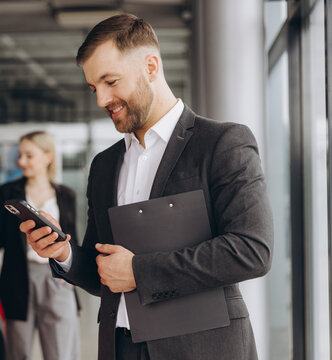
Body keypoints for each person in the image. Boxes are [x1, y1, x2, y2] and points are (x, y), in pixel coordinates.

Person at [20, 14, 273, 360]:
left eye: (110, 81)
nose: (101, 100)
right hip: (120, 346)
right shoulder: (105, 164)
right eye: (94, 88)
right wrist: (62, 253)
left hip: (200, 349)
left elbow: (252, 250)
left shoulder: (223, 143)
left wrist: (139, 271)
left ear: (151, 67)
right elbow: (103, 272)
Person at [0, 131, 80, 360]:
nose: (21, 161)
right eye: (20, 155)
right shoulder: (7, 193)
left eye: (28, 155)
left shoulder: (66, 195)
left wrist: (72, 279)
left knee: (61, 353)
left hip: (57, 280)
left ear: (47, 156)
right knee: (18, 352)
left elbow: (71, 241)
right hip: (18, 280)